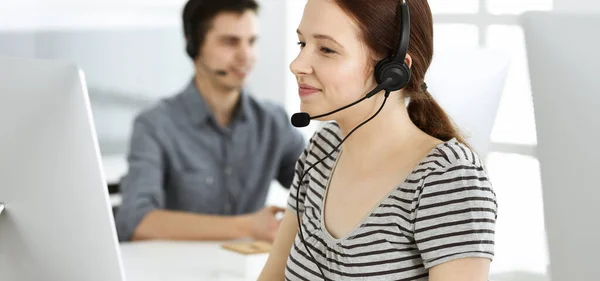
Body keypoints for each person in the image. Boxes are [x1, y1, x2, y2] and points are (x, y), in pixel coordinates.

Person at [258, 0, 498, 280]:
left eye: (326, 49)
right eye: (302, 44)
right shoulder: (321, 151)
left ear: (392, 71)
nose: (296, 65)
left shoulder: (448, 178)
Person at [114, 0, 305, 243]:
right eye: (230, 42)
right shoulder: (155, 125)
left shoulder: (273, 122)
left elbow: (321, 189)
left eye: (252, 41)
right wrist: (247, 226)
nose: (246, 56)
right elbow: (135, 221)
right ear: (193, 45)